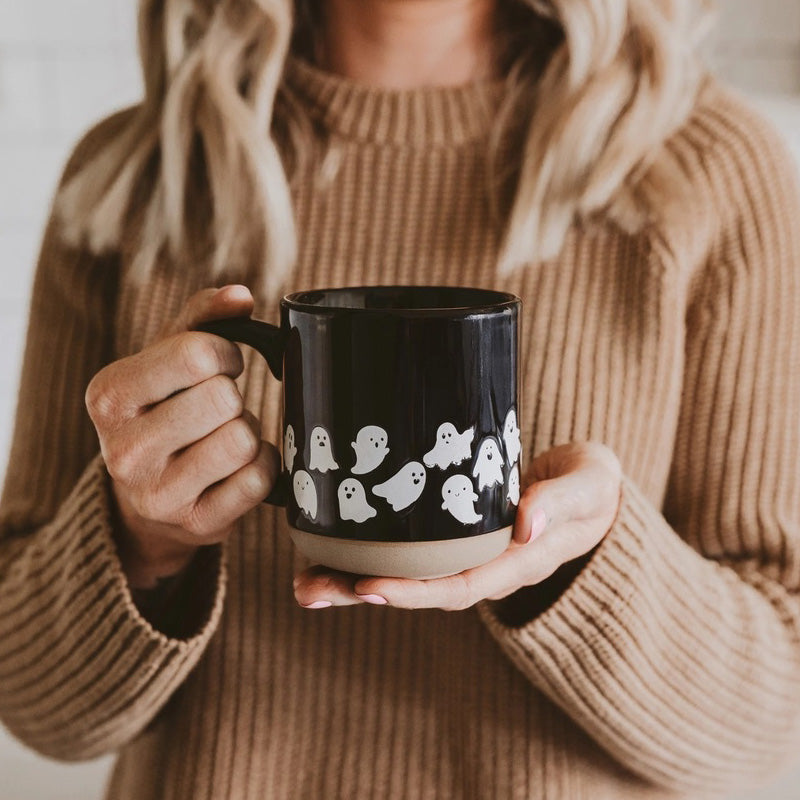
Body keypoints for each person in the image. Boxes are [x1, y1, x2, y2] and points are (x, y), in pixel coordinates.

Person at [1, 0, 799, 797]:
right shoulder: (132, 179)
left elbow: (770, 725)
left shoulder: (713, 172)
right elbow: (34, 704)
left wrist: (583, 560)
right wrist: (139, 539)